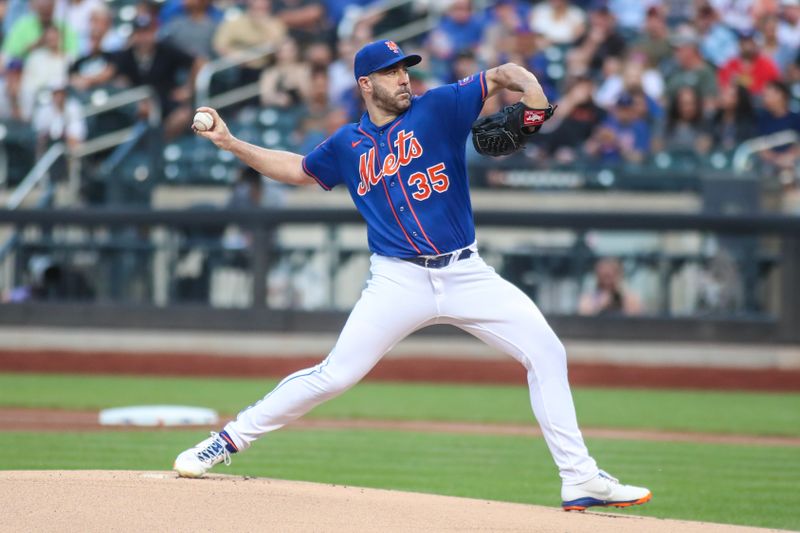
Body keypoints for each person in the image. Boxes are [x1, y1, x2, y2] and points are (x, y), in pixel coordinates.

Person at [173, 39, 652, 512]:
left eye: (405, 68)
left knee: (547, 352)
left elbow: (505, 73)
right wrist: (230, 143)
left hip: (466, 272)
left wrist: (536, 102)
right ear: (365, 83)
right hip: (397, 281)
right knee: (334, 376)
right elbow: (299, 169)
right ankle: (225, 441)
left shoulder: (440, 106)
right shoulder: (346, 144)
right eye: (390, 71)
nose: (403, 77)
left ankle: (580, 477)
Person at [578, 257, 642, 316]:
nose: (607, 281)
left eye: (611, 275)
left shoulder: (629, 297)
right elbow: (584, 315)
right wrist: (600, 306)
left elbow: (636, 315)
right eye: (604, 276)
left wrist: (618, 296)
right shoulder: (588, 298)